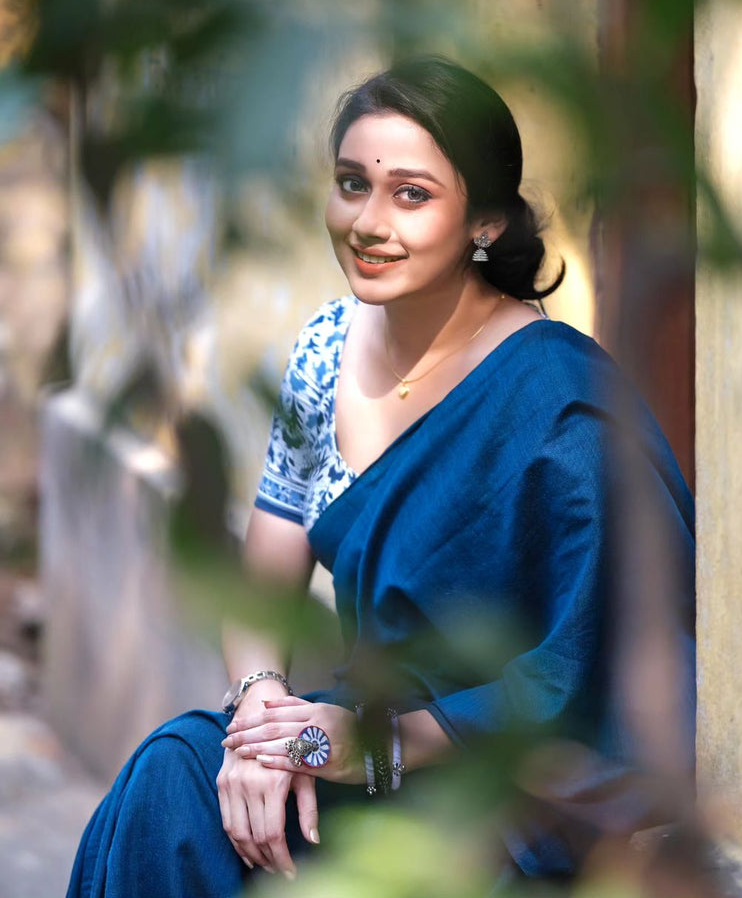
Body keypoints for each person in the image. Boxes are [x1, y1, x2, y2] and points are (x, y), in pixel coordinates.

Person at [67, 56, 695, 897]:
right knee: (174, 774)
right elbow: (272, 546)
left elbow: (580, 672)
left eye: (411, 194)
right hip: (347, 734)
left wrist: (345, 744)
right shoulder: (327, 350)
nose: (367, 222)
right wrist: (260, 714)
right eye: (350, 183)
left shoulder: (560, 405)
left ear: (487, 222)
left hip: (500, 785)